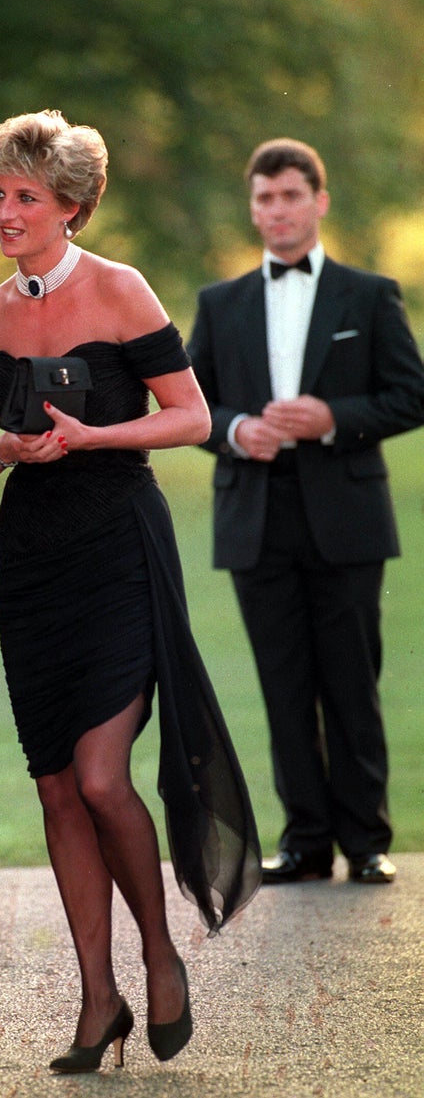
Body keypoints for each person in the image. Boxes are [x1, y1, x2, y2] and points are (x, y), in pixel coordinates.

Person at [0, 110, 260, 1074]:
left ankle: (161, 953)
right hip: (30, 562)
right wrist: (2, 448)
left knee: (98, 776)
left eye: (25, 197)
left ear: (72, 208)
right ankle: (98, 997)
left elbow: (192, 417)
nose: (6, 211)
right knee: (53, 784)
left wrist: (92, 439)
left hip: (120, 545)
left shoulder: (122, 291)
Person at [187, 138, 424, 887]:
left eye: (291, 195)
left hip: (346, 514)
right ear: (252, 206)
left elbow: (410, 394)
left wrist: (331, 416)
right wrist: (235, 431)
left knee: (352, 680)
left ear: (318, 201)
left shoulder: (370, 295)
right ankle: (305, 840)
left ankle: (366, 839)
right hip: (255, 515)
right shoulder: (219, 304)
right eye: (264, 198)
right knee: (282, 683)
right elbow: (191, 406)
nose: (277, 210)